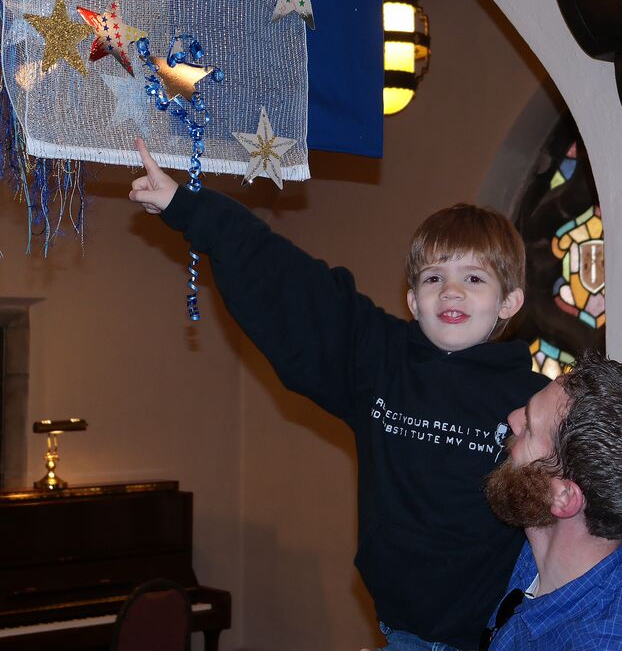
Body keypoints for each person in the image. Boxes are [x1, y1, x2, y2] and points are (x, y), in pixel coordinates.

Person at [129, 138, 546, 651]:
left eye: (474, 278)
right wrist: (188, 206)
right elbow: (292, 283)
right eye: (434, 277)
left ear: (510, 302)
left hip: (500, 637)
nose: (451, 292)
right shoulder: (379, 361)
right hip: (403, 632)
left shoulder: (535, 404)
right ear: (413, 299)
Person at [481, 350, 622, 650]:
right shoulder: (542, 539)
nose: (512, 419)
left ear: (563, 496)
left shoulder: (595, 642)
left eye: (530, 427)